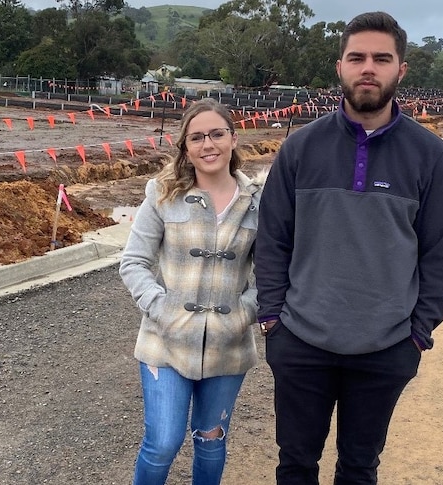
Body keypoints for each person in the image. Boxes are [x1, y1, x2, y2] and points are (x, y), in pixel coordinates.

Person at [254, 11, 443, 485]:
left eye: (381, 58)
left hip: (386, 346)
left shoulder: (430, 157)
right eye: (357, 57)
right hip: (301, 342)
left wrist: (418, 332)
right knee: (296, 464)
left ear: (401, 69)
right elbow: (273, 238)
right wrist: (273, 320)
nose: (369, 67)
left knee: (359, 467)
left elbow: (439, 253)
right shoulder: (300, 148)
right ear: (340, 66)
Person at [119, 97, 263, 485]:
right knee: (162, 443)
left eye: (217, 134)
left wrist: (243, 314)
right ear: (186, 147)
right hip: (164, 343)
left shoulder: (257, 203)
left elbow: (271, 275)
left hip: (229, 346)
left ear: (233, 139)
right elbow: (133, 262)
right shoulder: (162, 194)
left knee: (211, 439)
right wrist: (160, 308)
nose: (208, 144)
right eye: (196, 137)